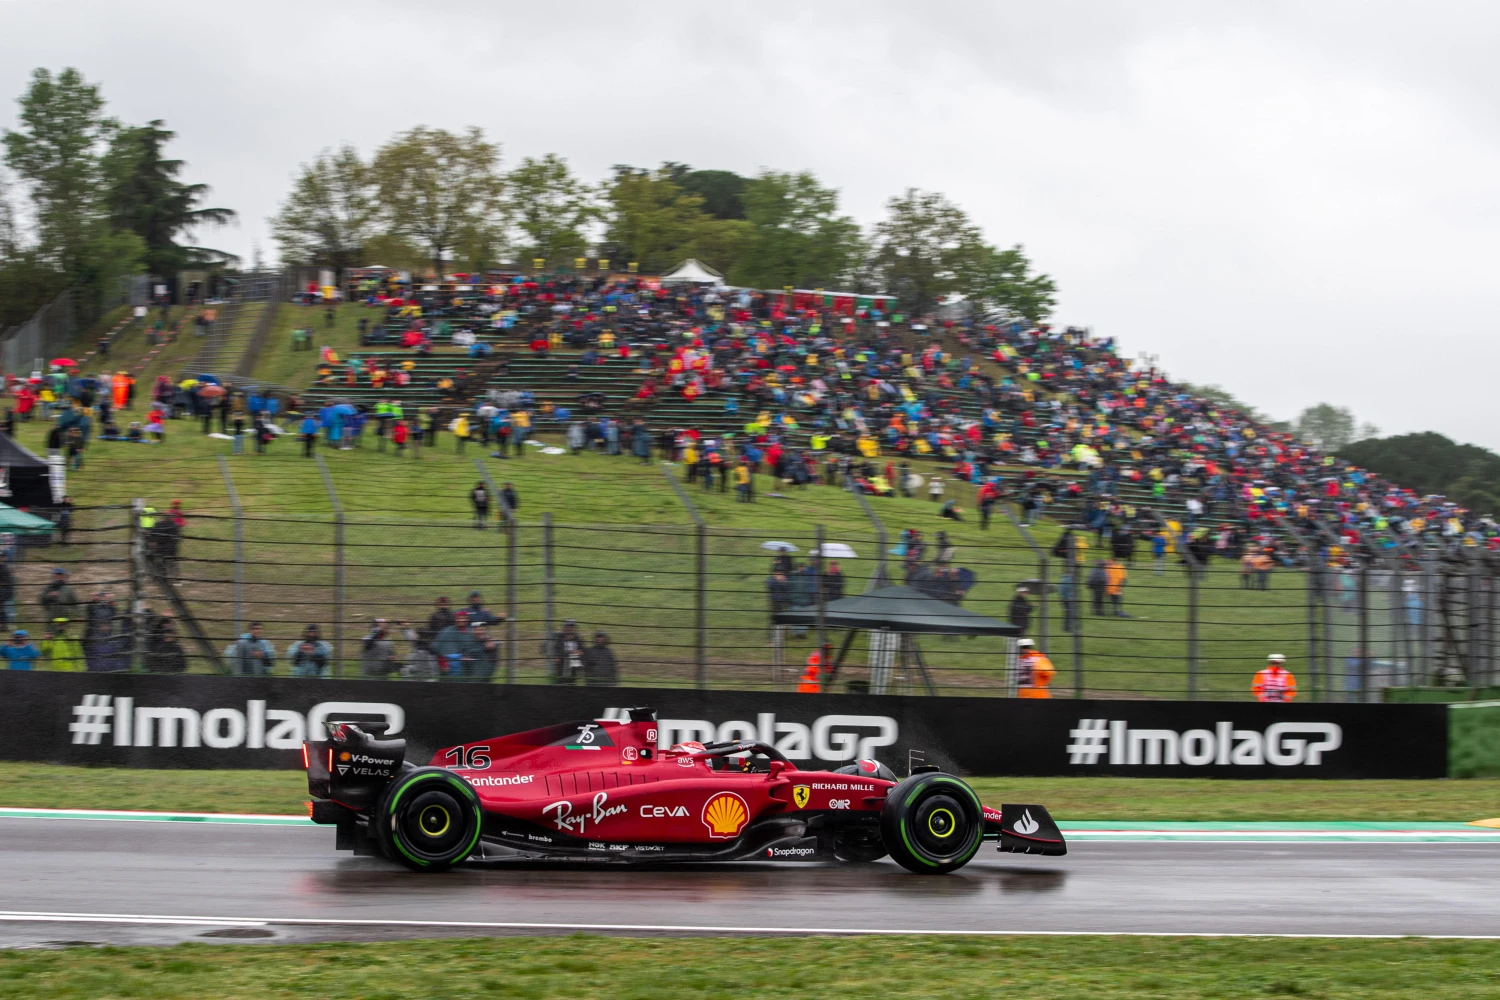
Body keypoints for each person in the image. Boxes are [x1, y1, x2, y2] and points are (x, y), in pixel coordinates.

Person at [543, 619, 585, 684]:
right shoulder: (558, 637)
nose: (570, 629)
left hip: (572, 670)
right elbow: (545, 646)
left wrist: (581, 654)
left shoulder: (577, 638)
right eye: (568, 626)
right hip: (560, 669)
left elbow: (582, 650)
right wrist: (554, 655)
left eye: (572, 627)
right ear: (564, 627)